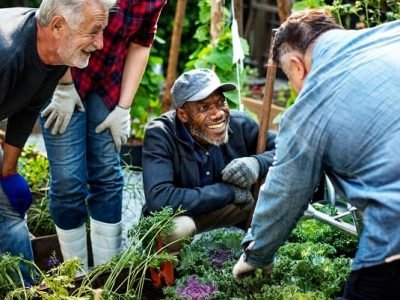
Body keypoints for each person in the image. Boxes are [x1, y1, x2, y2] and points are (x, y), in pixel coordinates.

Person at [232, 9, 400, 299]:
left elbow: (285, 191)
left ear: (296, 66)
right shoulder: (391, 33)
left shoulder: (309, 109)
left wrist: (255, 254)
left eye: (288, 76)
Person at [39, 0, 167, 270]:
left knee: (107, 176)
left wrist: (124, 107)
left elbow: (141, 44)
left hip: (107, 83)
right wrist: (63, 86)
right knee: (68, 181)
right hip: (63, 73)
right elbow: (55, 20)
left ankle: (105, 274)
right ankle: (75, 275)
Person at [0, 0, 115, 283]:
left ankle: (23, 288)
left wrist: (8, 171)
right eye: (93, 32)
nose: (100, 44)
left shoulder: (53, 54)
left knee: (8, 209)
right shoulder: (7, 54)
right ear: (58, 26)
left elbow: (26, 110)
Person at [142, 68, 276, 253]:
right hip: (182, 215)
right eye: (204, 108)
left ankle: (254, 255)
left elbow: (287, 149)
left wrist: (257, 163)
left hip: (226, 210)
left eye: (221, 102)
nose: (218, 113)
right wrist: (228, 192)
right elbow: (159, 199)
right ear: (183, 115)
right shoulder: (161, 134)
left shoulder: (240, 124)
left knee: (275, 194)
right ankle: (171, 276)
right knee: (175, 231)